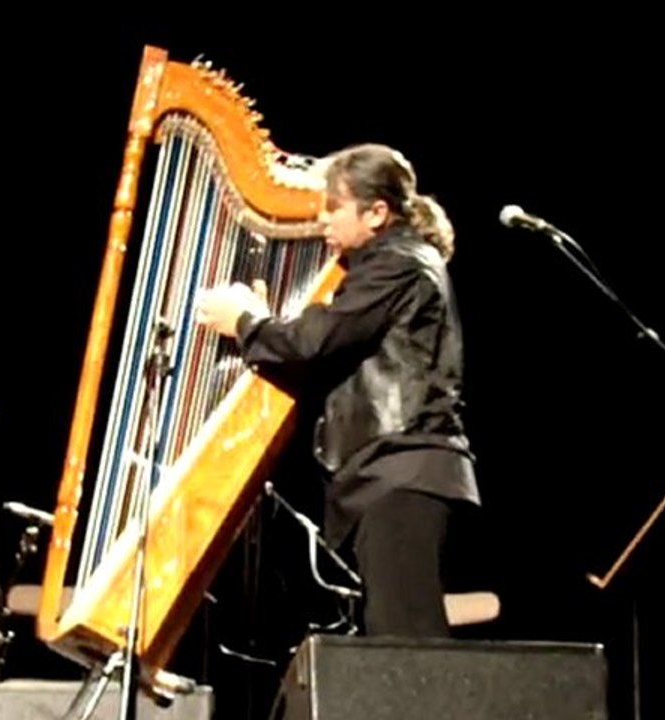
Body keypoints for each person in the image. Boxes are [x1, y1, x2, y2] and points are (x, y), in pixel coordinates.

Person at [195, 143, 480, 638]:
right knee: (392, 644)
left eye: (333, 207)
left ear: (376, 212)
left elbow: (316, 339)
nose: (321, 219)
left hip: (404, 469)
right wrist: (269, 328)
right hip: (390, 472)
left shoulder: (399, 262)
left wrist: (244, 322)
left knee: (406, 644)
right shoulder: (388, 263)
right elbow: (325, 345)